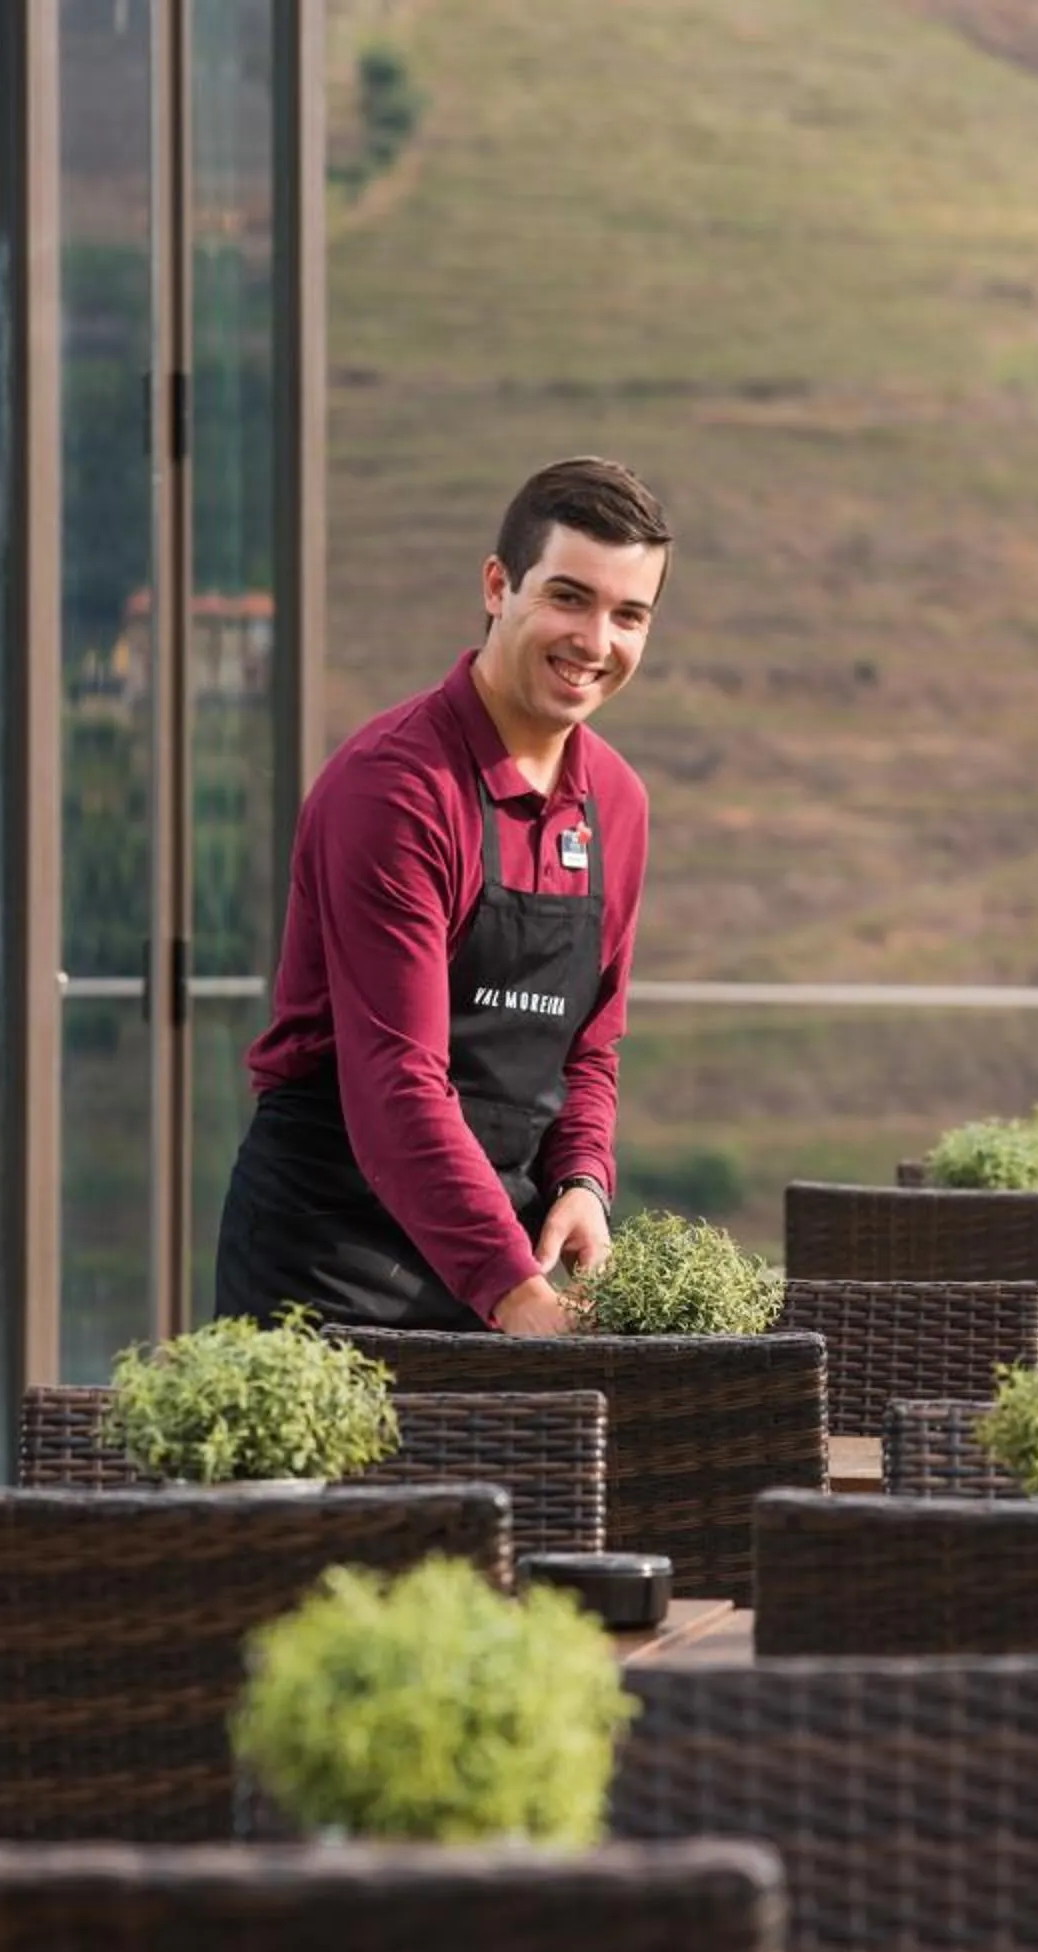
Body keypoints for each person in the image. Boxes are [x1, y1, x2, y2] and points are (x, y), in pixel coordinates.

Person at [215, 457, 666, 1334]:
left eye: (630, 615)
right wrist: (519, 1298)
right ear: (498, 585)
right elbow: (395, 1085)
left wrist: (581, 1182)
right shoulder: (396, 789)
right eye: (568, 598)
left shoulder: (618, 804)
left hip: (503, 1251)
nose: (595, 641)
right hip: (332, 1262)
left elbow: (591, 1050)